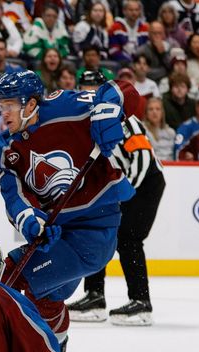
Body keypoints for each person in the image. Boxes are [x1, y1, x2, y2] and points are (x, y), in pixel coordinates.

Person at [0, 70, 141, 352]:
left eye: (8, 105)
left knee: (11, 276)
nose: (2, 113)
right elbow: (15, 199)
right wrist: (31, 221)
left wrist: (108, 111)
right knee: (47, 297)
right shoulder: (3, 151)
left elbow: (124, 91)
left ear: (30, 105)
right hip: (57, 235)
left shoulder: (67, 107)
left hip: (95, 234)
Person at [68, 70, 166, 326]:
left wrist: (126, 195)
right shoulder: (85, 122)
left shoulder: (125, 119)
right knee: (98, 232)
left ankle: (141, 302)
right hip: (121, 187)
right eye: (84, 87)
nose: (89, 92)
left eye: (94, 88)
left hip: (144, 184)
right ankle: (94, 295)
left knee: (128, 238)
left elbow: (143, 161)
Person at [142, 96, 176, 162]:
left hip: (171, 168)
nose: (154, 112)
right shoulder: (141, 130)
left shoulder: (171, 132)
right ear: (146, 113)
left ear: (162, 112)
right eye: (150, 109)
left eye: (158, 109)